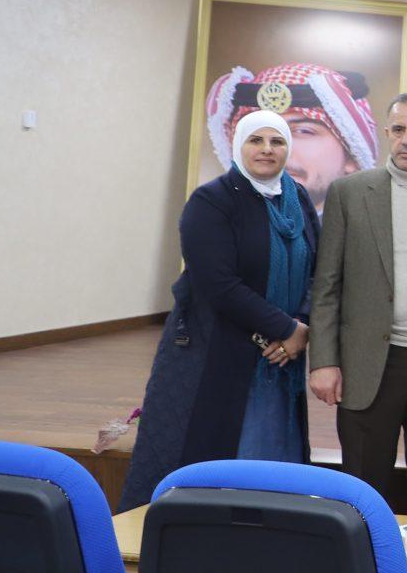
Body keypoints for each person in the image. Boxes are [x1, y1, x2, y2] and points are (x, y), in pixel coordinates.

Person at [123, 110, 319, 506]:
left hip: (281, 358)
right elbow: (218, 285)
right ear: (238, 145)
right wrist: (286, 329)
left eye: (277, 141)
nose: (267, 149)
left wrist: (302, 324)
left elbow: (318, 268)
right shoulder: (212, 201)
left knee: (279, 459)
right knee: (226, 465)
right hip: (221, 353)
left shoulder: (297, 198)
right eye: (256, 140)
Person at [307, 91, 407, 514]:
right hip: (368, 363)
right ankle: (363, 556)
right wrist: (323, 361)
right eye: (398, 129)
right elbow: (327, 285)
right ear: (386, 133)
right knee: (362, 488)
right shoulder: (349, 192)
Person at [205, 61, 380, 211]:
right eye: (256, 135)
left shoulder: (368, 232)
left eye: (303, 131)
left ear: (351, 156)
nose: (272, 150)